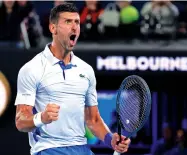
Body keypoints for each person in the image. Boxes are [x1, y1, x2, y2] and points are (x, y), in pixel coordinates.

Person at [14, 3, 130, 155]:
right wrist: (41, 118)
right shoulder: (32, 69)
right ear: (53, 28)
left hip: (81, 148)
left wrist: (110, 139)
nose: (74, 27)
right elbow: (21, 122)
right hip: (48, 149)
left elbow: (93, 120)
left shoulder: (86, 70)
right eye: (68, 22)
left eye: (77, 22)